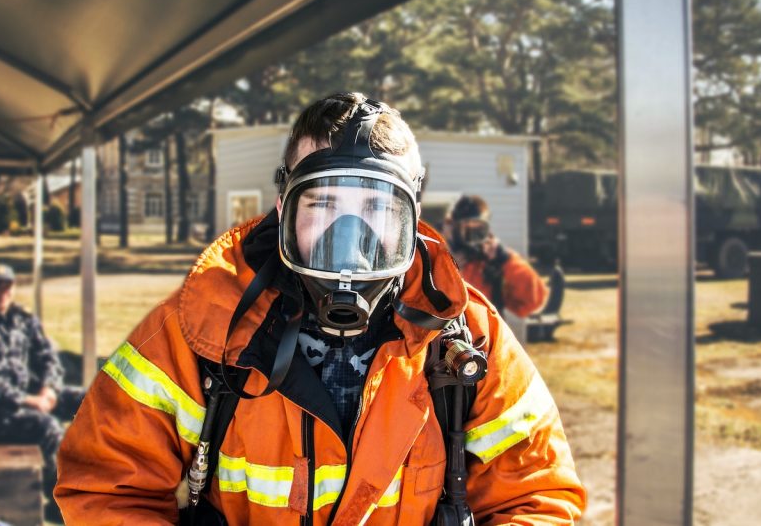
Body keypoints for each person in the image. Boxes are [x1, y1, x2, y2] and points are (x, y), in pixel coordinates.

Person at [56, 92, 585, 524]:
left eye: (378, 207)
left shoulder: (466, 340)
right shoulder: (201, 328)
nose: (349, 237)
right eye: (324, 204)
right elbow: (105, 487)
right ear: (285, 207)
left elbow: (536, 500)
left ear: (412, 217)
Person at [0, 263, 84, 495]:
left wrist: (48, 389)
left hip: (32, 395)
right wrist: (28, 401)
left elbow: (47, 357)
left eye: (7, 287)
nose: (3, 293)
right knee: (49, 427)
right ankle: (60, 499)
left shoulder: (23, 318)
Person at [444, 195, 549, 320]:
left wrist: (505, 261)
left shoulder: (495, 262)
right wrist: (449, 271)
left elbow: (533, 302)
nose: (471, 237)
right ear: (454, 229)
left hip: (486, 336)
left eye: (478, 230)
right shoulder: (440, 259)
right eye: (466, 228)